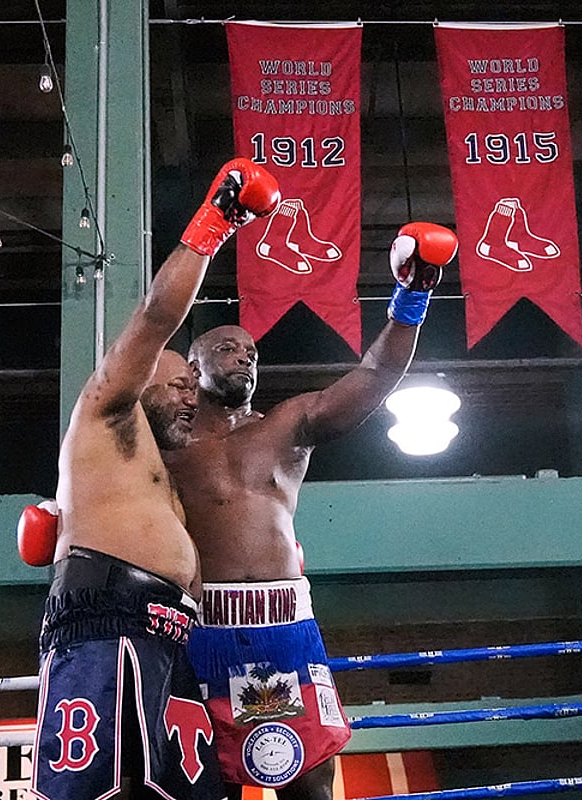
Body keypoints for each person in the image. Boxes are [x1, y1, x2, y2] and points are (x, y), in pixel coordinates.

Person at [163, 223, 458, 800]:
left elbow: (375, 376)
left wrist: (413, 294)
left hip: (282, 624)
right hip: (198, 624)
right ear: (191, 366)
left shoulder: (288, 425)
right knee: (202, 779)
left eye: (251, 352)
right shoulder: (166, 438)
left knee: (308, 780)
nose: (244, 358)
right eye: (227, 348)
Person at [27, 158, 281, 800]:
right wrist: (215, 222)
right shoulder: (106, 409)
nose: (194, 397)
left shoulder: (161, 465)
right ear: (141, 385)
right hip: (108, 625)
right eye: (179, 384)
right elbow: (155, 320)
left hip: (173, 636)